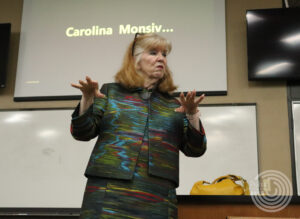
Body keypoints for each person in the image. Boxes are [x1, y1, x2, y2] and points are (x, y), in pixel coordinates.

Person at [70, 33, 207, 219]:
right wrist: (87, 99)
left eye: (164, 54)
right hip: (108, 192)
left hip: (158, 196)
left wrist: (192, 115)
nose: (161, 58)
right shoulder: (110, 92)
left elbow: (195, 149)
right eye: (153, 52)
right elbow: (82, 133)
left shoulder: (174, 105)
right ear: (136, 60)